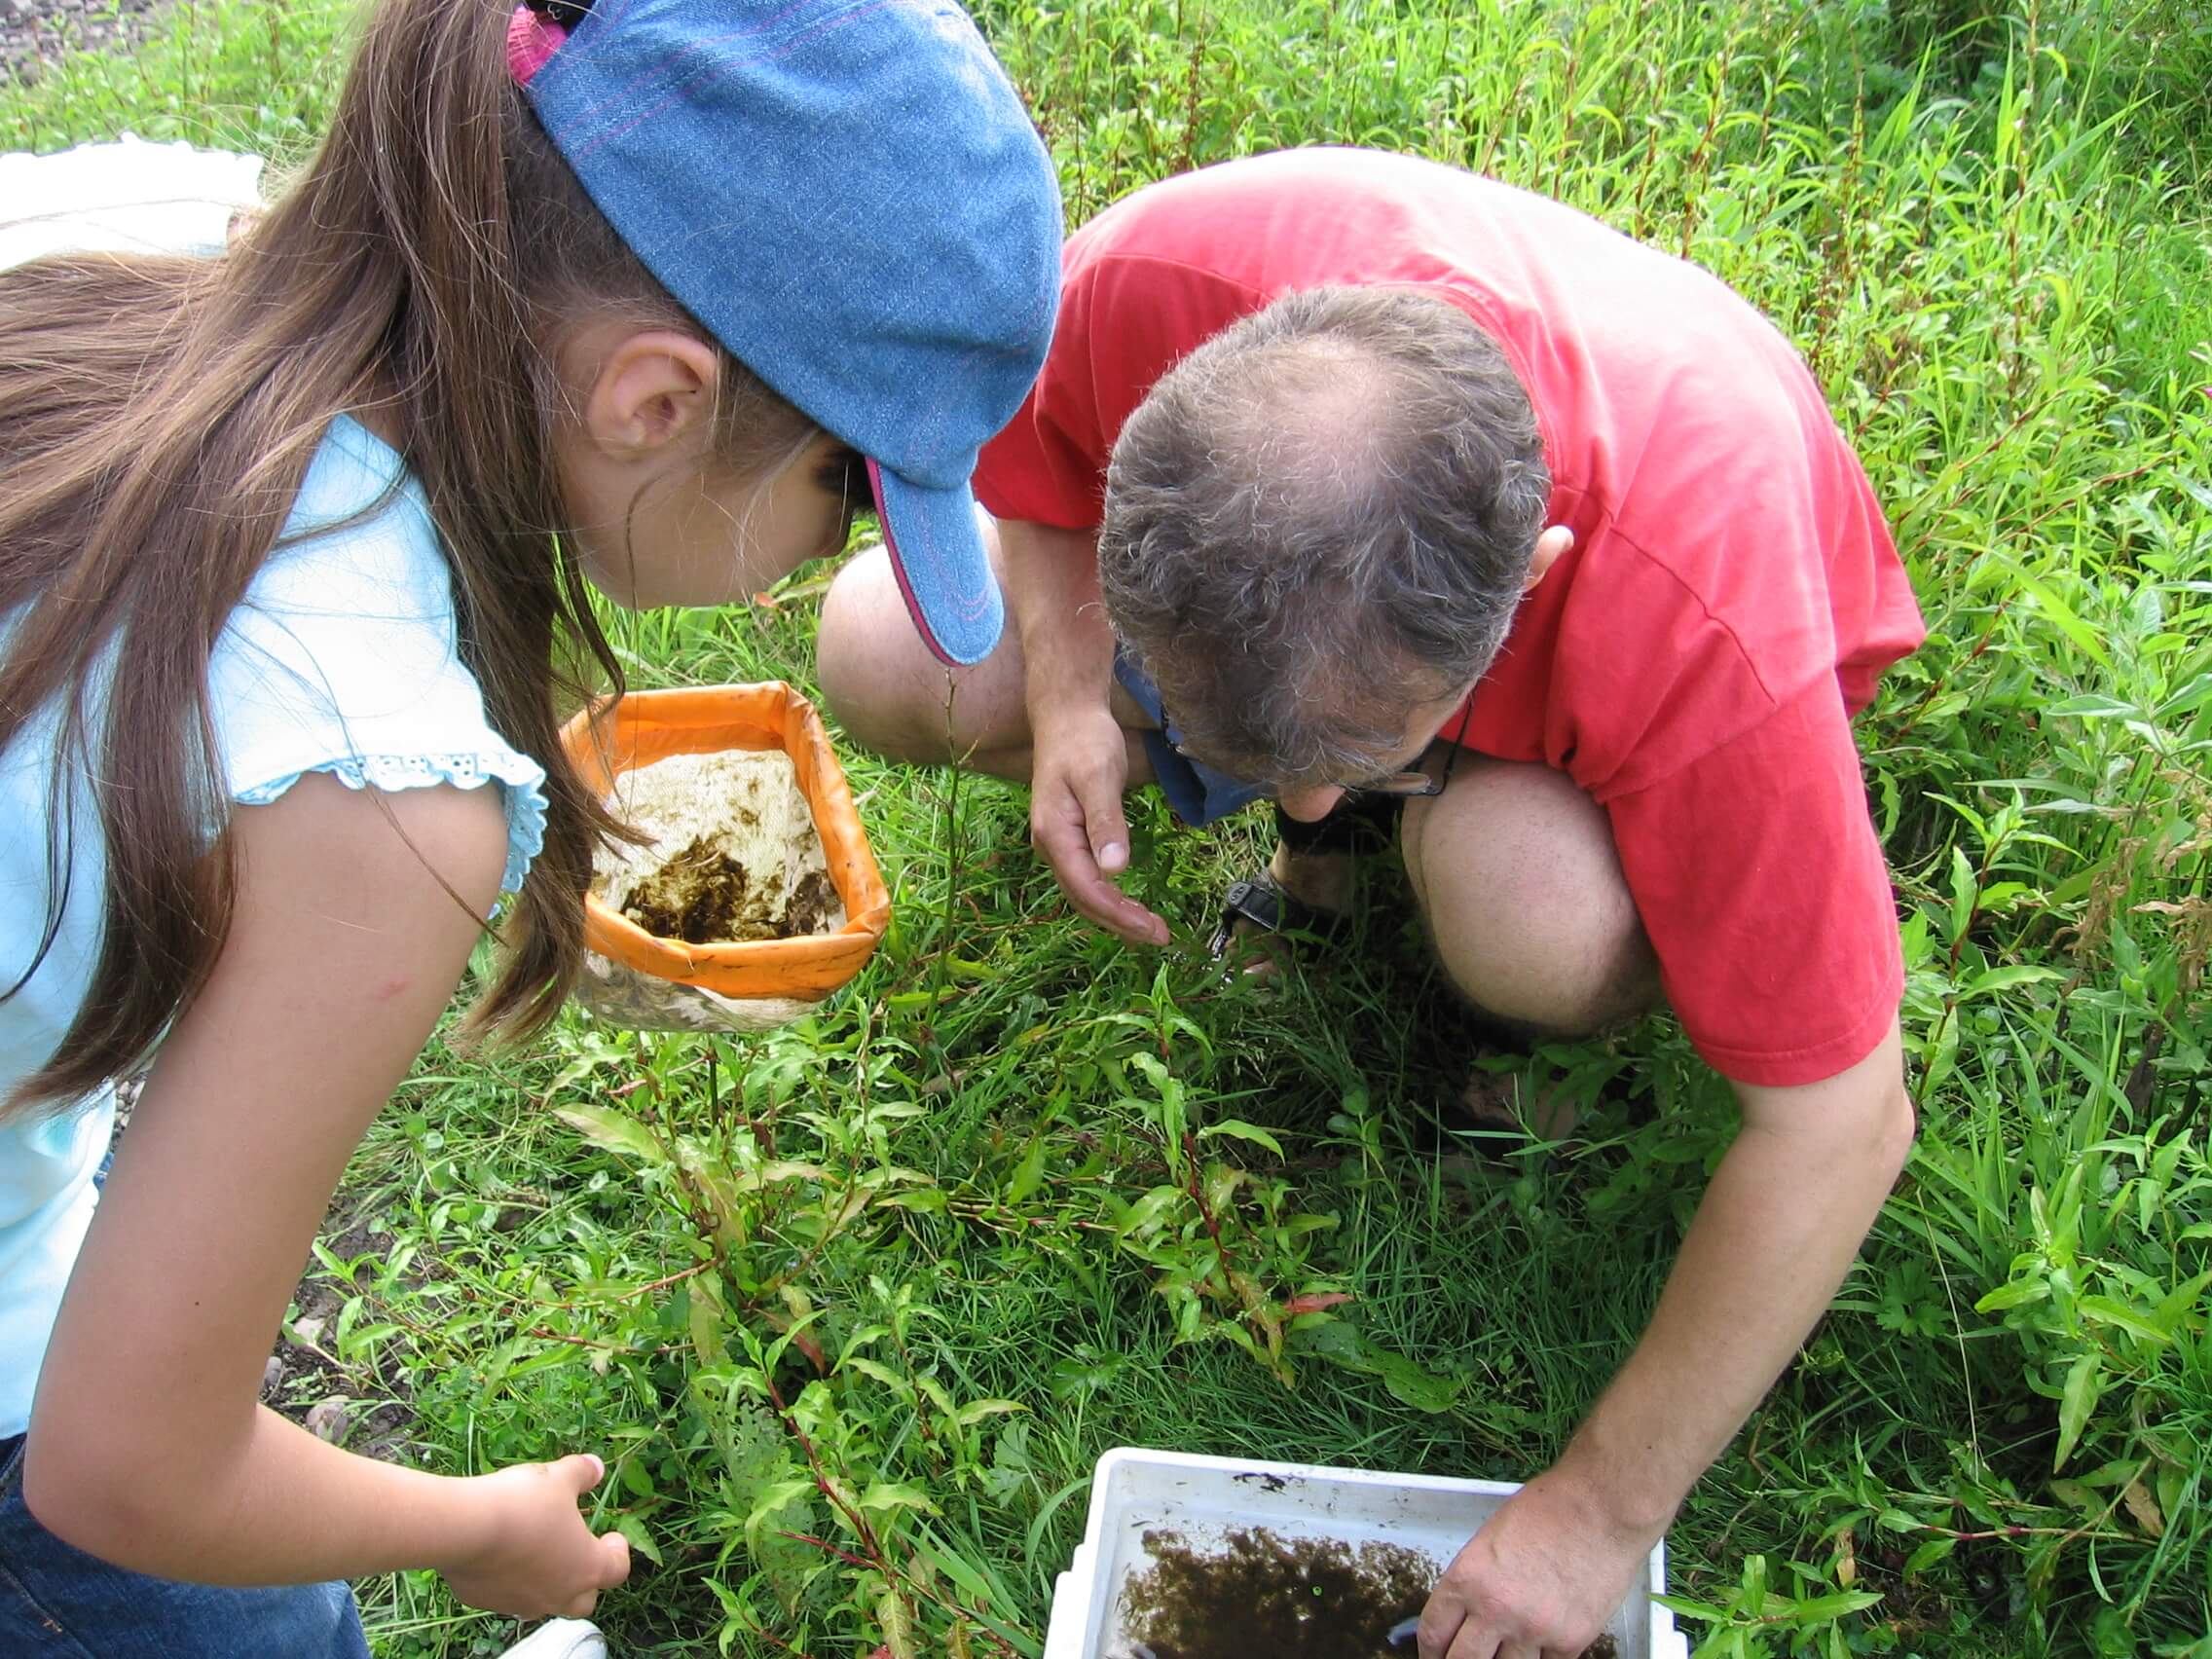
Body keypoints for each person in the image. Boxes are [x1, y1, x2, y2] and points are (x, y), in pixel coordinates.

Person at [0, 0, 1060, 1652]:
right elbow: (127, 1467)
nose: (815, 554)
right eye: (850, 493)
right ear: (652, 403)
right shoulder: (380, 791)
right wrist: (482, 1528)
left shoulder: (140, 217)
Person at [817, 145, 1924, 1659]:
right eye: (1271, 769)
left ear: (1527, 586)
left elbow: (1843, 1124)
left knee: (1529, 913)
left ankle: (1509, 947)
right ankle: (1315, 811)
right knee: (885, 652)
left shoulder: (1713, 628)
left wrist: (1598, 1512)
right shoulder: (1153, 282)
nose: (1306, 802)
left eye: (1351, 765)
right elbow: (1041, 448)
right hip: (1360, 585)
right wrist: (1076, 693)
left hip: (1657, 579)